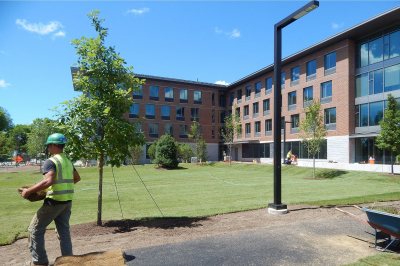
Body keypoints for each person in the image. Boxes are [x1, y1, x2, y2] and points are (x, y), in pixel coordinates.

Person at [21, 133, 81, 266]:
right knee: (63, 231)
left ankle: (40, 262)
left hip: (53, 202)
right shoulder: (67, 160)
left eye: (48, 145)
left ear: (54, 145)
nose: (48, 148)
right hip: (67, 202)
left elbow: (49, 180)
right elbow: (77, 178)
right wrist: (61, 186)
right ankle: (68, 261)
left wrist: (29, 191)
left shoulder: (51, 161)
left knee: (34, 229)